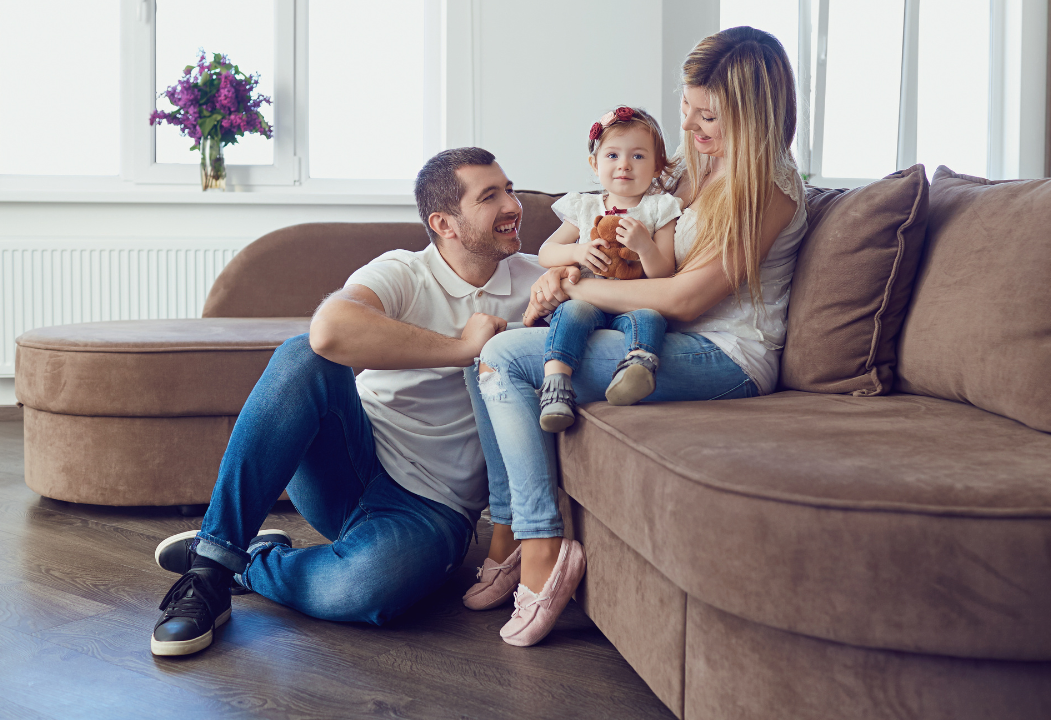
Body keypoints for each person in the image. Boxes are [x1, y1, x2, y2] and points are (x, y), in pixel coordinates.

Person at [462, 26, 807, 648]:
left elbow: (684, 296)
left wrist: (575, 291)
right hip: (660, 333)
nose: (694, 127)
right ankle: (509, 528)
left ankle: (543, 545)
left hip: (726, 355)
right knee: (482, 357)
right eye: (688, 108)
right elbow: (620, 250)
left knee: (506, 360)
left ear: (755, 117)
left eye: (712, 117)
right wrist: (564, 273)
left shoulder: (768, 189)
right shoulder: (692, 171)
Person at [147, 147, 543, 657]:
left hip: (433, 510)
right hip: (350, 460)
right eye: (491, 196)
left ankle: (250, 559)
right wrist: (463, 349)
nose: (513, 205)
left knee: (366, 590)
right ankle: (209, 571)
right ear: (444, 222)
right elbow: (330, 330)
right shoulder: (403, 270)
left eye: (510, 189)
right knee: (303, 355)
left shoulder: (539, 282)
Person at [534, 106, 682, 433]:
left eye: (638, 156)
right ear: (595, 163)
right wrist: (578, 251)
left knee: (651, 318)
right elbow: (546, 252)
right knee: (570, 312)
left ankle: (637, 368)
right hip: (590, 299)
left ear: (658, 165)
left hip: (635, 300)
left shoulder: (660, 209)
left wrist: (645, 246)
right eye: (612, 155)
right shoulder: (585, 207)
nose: (624, 165)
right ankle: (556, 384)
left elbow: (664, 273)